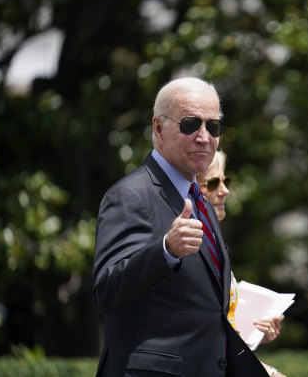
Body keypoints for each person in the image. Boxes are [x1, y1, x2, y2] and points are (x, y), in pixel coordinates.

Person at [92, 77, 268, 376]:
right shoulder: (130, 195)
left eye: (213, 126)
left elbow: (206, 314)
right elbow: (107, 290)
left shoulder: (199, 200)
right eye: (190, 124)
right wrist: (165, 250)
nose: (204, 137)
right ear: (158, 128)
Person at [196, 151, 285, 377]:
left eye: (225, 181)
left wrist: (256, 333)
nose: (225, 190)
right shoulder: (192, 246)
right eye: (213, 182)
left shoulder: (213, 243)